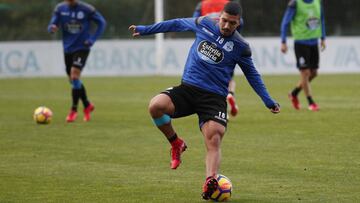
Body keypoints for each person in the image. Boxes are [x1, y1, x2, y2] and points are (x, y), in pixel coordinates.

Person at [129, 2, 280, 199]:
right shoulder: (204, 23)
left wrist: (267, 100)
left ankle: (210, 181)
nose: (226, 26)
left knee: (214, 137)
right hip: (188, 89)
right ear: (220, 17)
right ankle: (176, 143)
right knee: (155, 106)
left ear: (238, 23)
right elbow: (176, 24)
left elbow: (252, 74)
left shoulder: (241, 47)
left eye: (232, 23)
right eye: (224, 21)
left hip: (214, 98)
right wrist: (145, 30)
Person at [47, 0, 106, 122]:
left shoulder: (87, 9)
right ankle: (87, 105)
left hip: (82, 47)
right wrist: (52, 28)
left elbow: (102, 23)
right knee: (74, 80)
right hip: (67, 49)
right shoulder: (60, 8)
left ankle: (73, 110)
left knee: (74, 76)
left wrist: (92, 39)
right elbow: (52, 24)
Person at [193, 0, 244, 117]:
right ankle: (229, 95)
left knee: (208, 78)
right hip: (226, 46)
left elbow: (195, 20)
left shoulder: (203, 4)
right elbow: (240, 22)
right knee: (227, 77)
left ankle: (207, 108)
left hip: (207, 44)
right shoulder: (228, 4)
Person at [280, 0, 326, 111]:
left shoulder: (317, 2)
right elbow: (285, 22)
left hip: (314, 42)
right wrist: (283, 41)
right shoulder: (295, 3)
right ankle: (311, 102)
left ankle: (294, 93)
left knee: (314, 73)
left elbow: (322, 19)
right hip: (301, 43)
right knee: (305, 72)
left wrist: (323, 38)